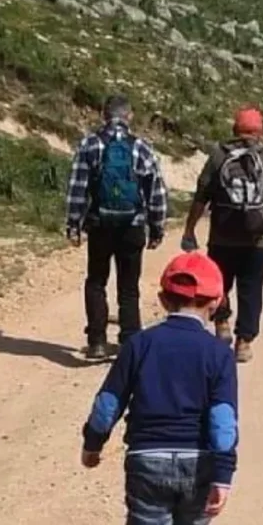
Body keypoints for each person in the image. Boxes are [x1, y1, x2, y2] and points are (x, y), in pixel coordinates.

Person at [80, 251, 238, 525]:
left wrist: (92, 445)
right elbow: (223, 423)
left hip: (146, 460)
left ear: (163, 298)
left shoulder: (140, 344)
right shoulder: (218, 353)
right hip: (200, 461)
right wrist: (224, 474)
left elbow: (107, 404)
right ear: (215, 301)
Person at [180, 106, 263, 363]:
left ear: (235, 129)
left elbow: (201, 197)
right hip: (259, 239)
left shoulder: (219, 155)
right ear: (260, 131)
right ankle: (244, 341)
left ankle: (222, 325)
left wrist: (189, 229)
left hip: (222, 236)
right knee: (252, 288)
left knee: (219, 284)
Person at [65, 94, 168, 360]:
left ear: (103, 114)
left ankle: (97, 341)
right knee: (129, 286)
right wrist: (156, 227)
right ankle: (130, 342)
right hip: (132, 225)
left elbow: (77, 188)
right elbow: (156, 191)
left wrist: (73, 223)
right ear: (129, 116)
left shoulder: (89, 144)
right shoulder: (142, 147)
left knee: (97, 280)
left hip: (100, 223)